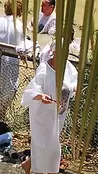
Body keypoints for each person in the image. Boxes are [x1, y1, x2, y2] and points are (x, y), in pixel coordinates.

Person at [21, 42, 77, 174]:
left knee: (48, 145)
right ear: (54, 53)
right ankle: (45, 170)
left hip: (58, 115)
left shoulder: (68, 67)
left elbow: (74, 82)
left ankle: (27, 164)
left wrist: (75, 87)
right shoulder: (44, 69)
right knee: (50, 149)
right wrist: (41, 96)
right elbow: (30, 90)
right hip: (42, 116)